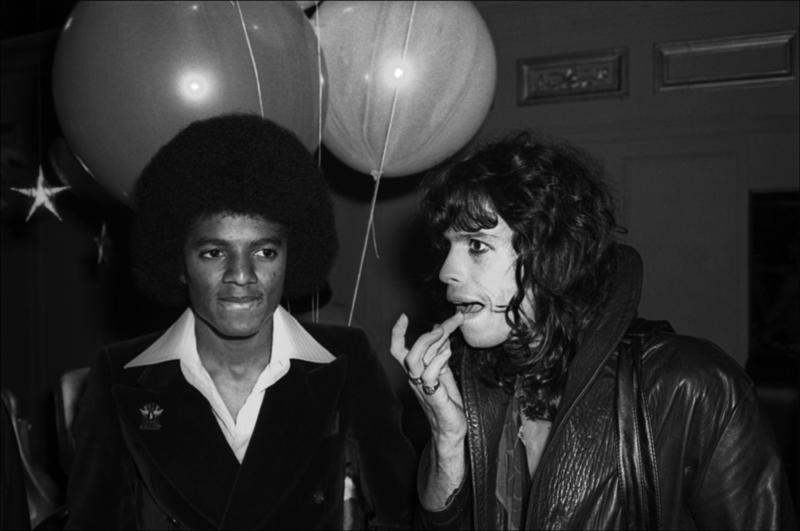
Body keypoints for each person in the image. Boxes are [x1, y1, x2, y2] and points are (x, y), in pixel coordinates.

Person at [391, 130, 797, 530]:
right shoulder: (479, 381)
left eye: (476, 245)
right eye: (448, 246)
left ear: (555, 252)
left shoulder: (693, 385)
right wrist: (448, 437)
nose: (447, 272)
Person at [65, 114, 416, 529]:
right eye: (214, 253)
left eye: (265, 252)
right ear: (178, 264)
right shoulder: (119, 375)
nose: (242, 275)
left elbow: (402, 516)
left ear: (293, 258)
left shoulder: (346, 358)